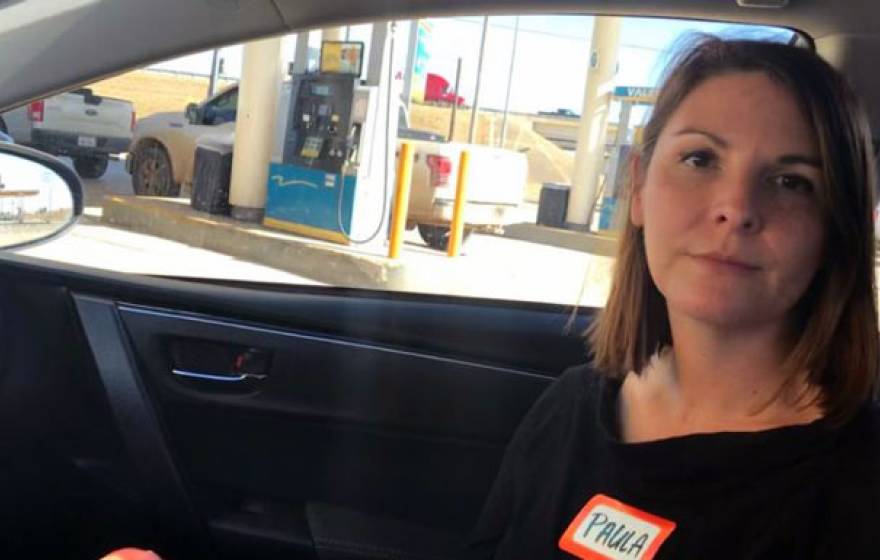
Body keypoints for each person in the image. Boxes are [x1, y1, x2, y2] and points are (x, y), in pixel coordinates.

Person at [466, 36, 880, 559]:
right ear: (637, 187)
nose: (736, 208)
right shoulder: (567, 411)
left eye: (791, 182)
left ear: (837, 227)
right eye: (700, 159)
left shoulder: (858, 487)